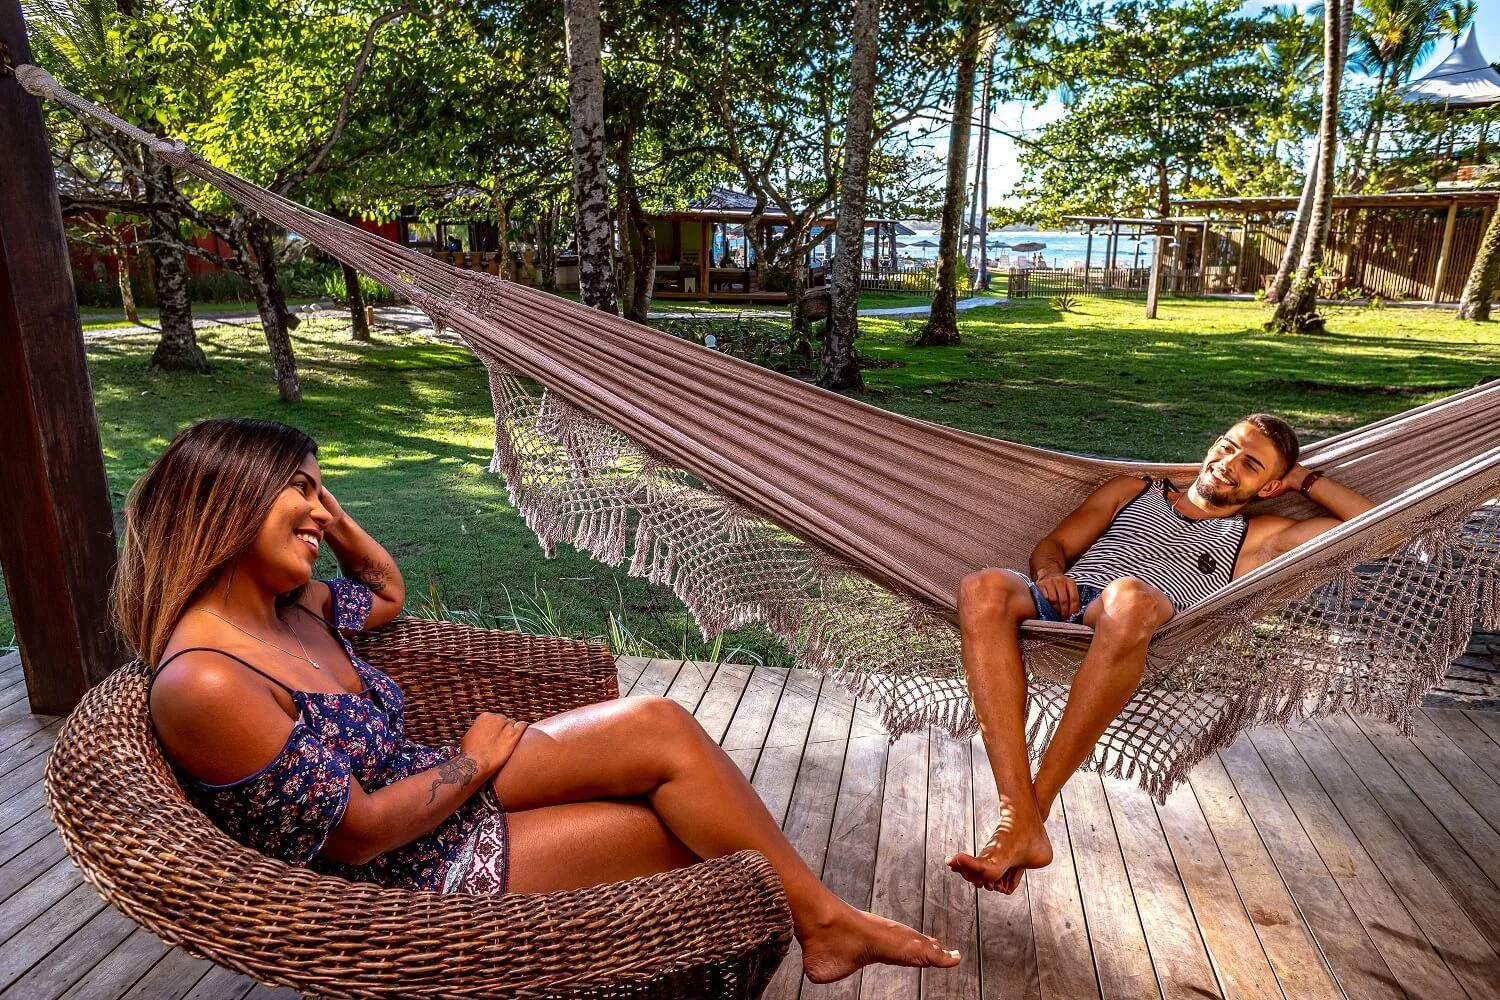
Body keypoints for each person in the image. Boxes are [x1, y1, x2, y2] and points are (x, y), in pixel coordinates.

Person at [119, 418, 959, 984]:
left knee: (659, 726)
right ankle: (821, 925)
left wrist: (323, 518)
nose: (316, 510)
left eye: (319, 493)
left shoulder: (291, 605)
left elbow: (384, 588)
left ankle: (823, 922)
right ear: (225, 499)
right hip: (403, 877)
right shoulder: (206, 681)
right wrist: (471, 762)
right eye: (300, 490)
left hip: (434, 795)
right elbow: (360, 834)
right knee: (677, 833)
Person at [948, 414, 1374, 893]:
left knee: (1131, 597)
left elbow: (1376, 528)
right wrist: (1050, 573)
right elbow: (1057, 544)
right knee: (981, 587)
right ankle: (1020, 819)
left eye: (1251, 465)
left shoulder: (1256, 537)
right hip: (1068, 597)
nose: (1228, 463)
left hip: (1132, 616)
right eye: (1227, 446)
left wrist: (1302, 478)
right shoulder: (1134, 488)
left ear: (1271, 486)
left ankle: (1027, 815)